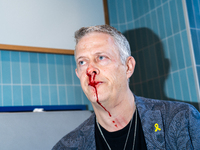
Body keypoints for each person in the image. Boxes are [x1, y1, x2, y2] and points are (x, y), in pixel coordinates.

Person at [52, 25, 200, 150]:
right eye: (82, 62)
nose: (90, 70)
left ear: (128, 67)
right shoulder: (66, 147)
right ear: (78, 74)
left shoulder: (181, 120)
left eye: (101, 57)